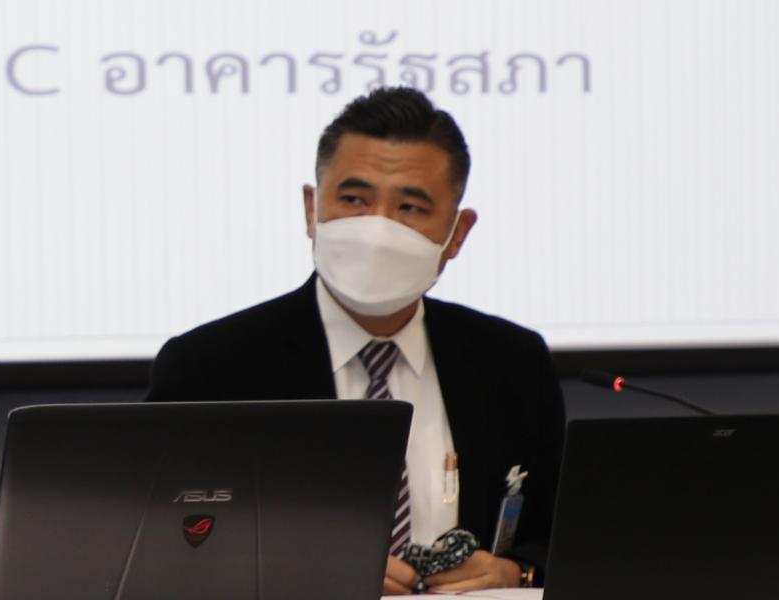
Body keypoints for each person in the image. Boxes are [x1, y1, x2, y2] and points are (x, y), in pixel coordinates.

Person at [147, 87, 565, 594]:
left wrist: (516, 571)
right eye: (353, 200)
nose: (377, 229)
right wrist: (304, 569)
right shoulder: (210, 367)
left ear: (457, 234)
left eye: (410, 207)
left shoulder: (512, 363)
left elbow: (561, 533)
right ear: (311, 210)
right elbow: (161, 545)